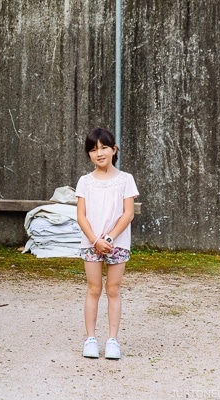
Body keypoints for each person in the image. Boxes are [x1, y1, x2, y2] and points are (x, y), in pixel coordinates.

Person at [75, 127, 139, 359]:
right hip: (91, 243)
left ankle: (112, 340)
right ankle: (90, 339)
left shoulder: (125, 180)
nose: (99, 153)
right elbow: (81, 216)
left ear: (114, 150)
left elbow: (128, 214)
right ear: (89, 155)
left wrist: (109, 239)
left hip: (117, 243)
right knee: (93, 289)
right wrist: (95, 240)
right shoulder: (85, 181)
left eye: (103, 147)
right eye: (93, 150)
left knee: (113, 289)